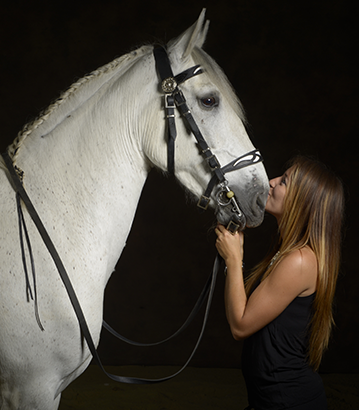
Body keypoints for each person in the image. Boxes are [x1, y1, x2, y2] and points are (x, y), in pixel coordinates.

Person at [215, 156, 344, 410]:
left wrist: (233, 258)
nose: (271, 182)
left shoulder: (299, 260)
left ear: (303, 202)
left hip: (288, 402)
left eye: (283, 182)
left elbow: (240, 325)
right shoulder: (289, 252)